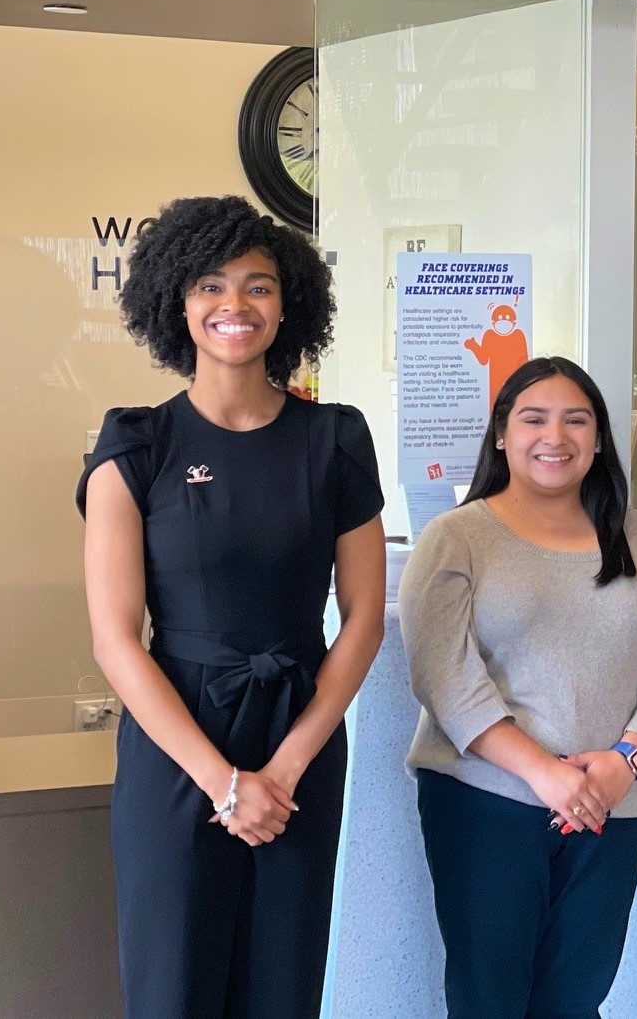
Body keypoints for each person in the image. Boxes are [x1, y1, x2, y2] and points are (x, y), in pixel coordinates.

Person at [77, 195, 386, 1019]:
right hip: (178, 745)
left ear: (289, 305)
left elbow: (361, 618)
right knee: (174, 988)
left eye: (258, 286)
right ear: (178, 300)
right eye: (212, 285)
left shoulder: (335, 440)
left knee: (283, 990)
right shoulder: (135, 446)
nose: (235, 306)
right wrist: (222, 782)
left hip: (301, 735)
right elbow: (116, 640)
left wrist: (282, 769)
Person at [399, 355, 637, 1019]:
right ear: (502, 434)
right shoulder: (457, 537)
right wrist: (545, 774)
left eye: (576, 420)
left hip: (609, 804)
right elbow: (442, 672)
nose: (555, 436)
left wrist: (626, 763)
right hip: (486, 800)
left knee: (576, 997)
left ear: (598, 438)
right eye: (533, 418)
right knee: (490, 997)